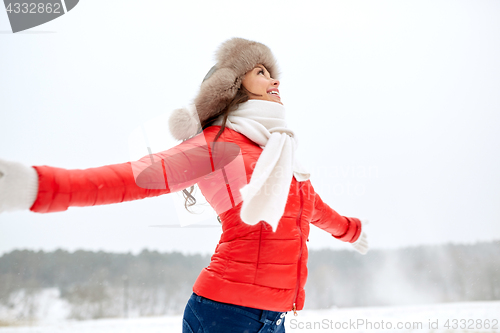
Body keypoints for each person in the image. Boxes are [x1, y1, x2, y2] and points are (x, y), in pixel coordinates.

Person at [0, 37, 369, 333]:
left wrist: (353, 231)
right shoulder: (219, 144)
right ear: (233, 85)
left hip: (272, 320)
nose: (275, 80)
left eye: (274, 74)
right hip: (226, 316)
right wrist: (37, 186)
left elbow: (314, 210)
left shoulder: (280, 154)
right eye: (261, 71)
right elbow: (134, 177)